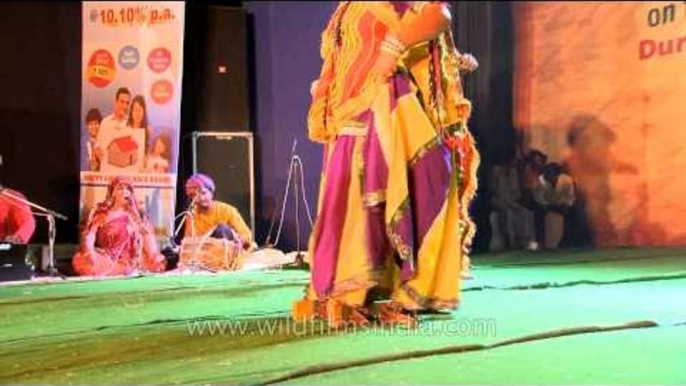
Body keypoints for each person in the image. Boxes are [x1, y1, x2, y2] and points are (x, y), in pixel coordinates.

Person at [293, 2, 480, 328]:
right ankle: (350, 295)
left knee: (425, 182)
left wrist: (393, 49)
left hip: (382, 100)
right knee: (351, 197)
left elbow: (438, 13)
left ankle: (399, 292)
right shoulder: (345, 7)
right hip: (346, 111)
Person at [72, 177, 167, 276]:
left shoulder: (136, 215)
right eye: (120, 188)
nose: (125, 192)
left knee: (157, 261)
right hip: (107, 259)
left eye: (128, 189)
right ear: (112, 192)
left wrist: (153, 256)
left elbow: (147, 238)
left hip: (131, 261)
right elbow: (90, 235)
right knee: (82, 260)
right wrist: (89, 253)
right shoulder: (101, 213)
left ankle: (129, 269)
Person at [180, 173, 253, 251]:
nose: (200, 198)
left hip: (228, 255)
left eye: (204, 193)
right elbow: (188, 242)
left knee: (221, 229)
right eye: (193, 195)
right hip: (204, 256)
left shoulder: (228, 211)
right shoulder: (191, 214)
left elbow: (247, 236)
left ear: (211, 192)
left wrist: (238, 239)